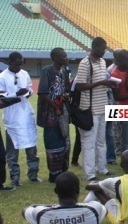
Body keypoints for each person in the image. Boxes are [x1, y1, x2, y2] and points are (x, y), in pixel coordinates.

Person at [23, 171, 107, 224]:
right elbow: (106, 209)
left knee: (36, 220)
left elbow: (26, 210)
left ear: (56, 191)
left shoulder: (41, 213)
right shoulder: (94, 209)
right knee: (93, 221)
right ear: (78, 190)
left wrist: (53, 207)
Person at [76, 37, 115, 180]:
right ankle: (90, 174)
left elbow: (100, 83)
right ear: (94, 47)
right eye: (102, 48)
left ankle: (102, 168)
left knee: (100, 142)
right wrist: (101, 82)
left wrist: (108, 83)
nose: (104, 51)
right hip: (89, 110)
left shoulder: (103, 62)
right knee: (89, 143)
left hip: (102, 107)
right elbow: (80, 86)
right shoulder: (85, 63)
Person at [0, 52, 40, 187]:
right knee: (12, 153)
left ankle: (33, 175)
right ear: (10, 63)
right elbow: (2, 98)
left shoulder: (24, 73)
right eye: (17, 64)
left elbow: (30, 89)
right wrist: (16, 94)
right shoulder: (2, 77)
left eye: (21, 64)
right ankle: (15, 178)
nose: (19, 67)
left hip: (26, 115)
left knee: (31, 148)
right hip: (12, 119)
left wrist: (27, 93)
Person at [37, 47, 71, 183]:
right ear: (56, 58)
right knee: (53, 143)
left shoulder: (63, 72)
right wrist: (54, 107)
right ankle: (54, 174)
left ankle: (62, 171)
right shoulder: (47, 71)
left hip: (61, 113)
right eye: (63, 56)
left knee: (64, 142)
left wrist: (66, 97)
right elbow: (42, 93)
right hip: (49, 114)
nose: (66, 58)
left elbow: (66, 89)